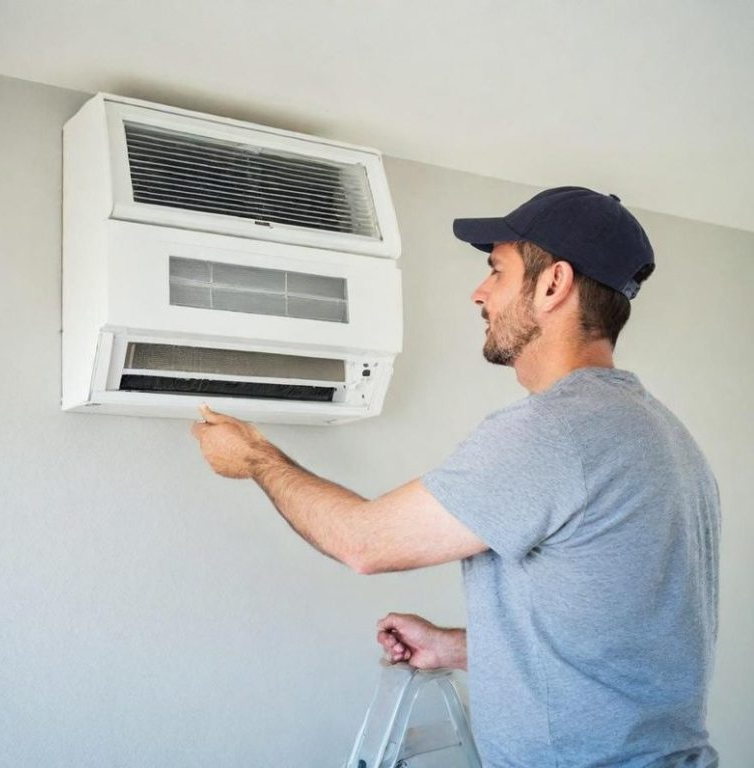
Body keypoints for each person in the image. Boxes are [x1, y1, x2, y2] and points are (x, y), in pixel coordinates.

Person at [192, 186, 720, 767]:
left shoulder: (557, 432)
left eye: (496, 271)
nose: (481, 292)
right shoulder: (662, 435)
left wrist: (256, 458)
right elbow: (621, 647)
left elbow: (364, 543)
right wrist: (458, 648)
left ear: (553, 285)